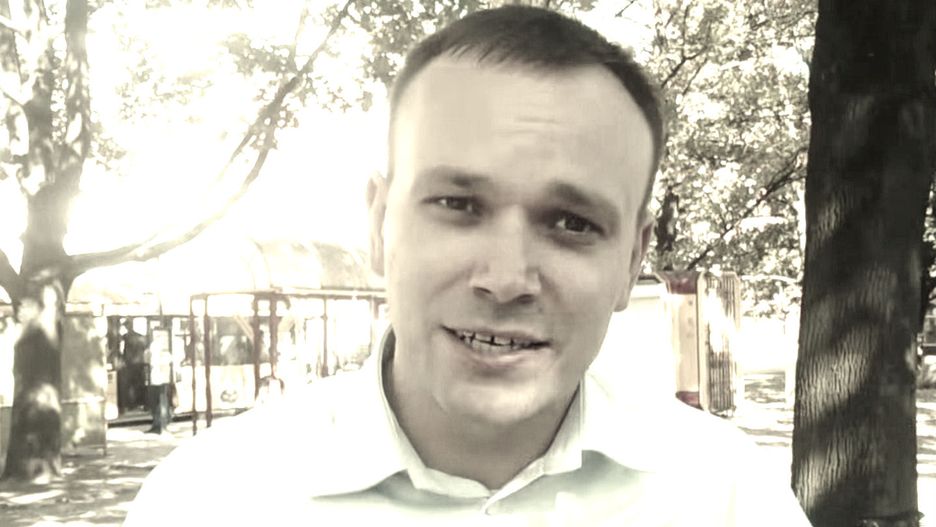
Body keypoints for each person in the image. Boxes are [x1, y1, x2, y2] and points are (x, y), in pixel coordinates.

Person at [124, 6, 811, 525]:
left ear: (633, 259)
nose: (506, 279)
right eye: (458, 204)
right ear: (379, 222)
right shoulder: (210, 500)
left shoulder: (728, 498)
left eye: (572, 223)